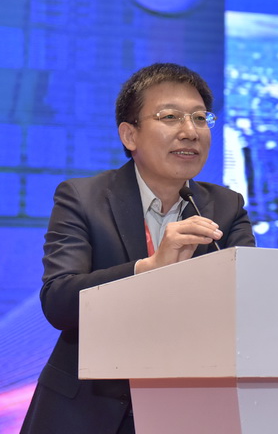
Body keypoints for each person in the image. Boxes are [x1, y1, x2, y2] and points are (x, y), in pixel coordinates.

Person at [21, 63, 256, 434]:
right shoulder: (83, 198)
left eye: (200, 118)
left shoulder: (226, 207)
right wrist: (148, 269)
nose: (190, 131)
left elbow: (250, 303)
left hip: (189, 409)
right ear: (129, 135)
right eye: (170, 117)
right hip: (88, 412)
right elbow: (59, 302)